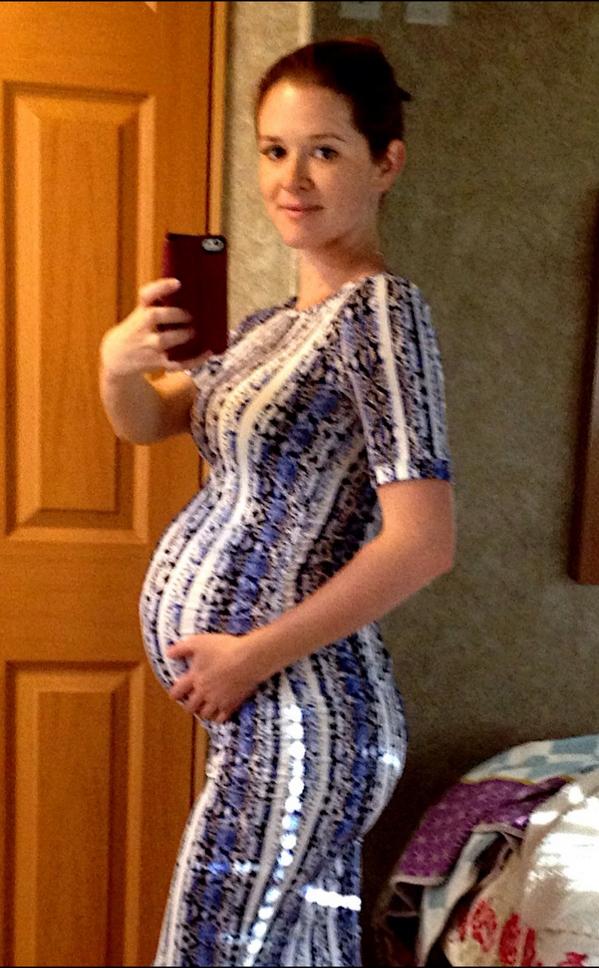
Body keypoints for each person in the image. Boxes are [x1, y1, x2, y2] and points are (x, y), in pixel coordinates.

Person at [99, 36, 456, 968]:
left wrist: (248, 657)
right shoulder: (266, 329)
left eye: (324, 151)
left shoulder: (379, 314)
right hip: (270, 714)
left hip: (305, 716)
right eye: (273, 149)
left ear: (385, 164)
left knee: (209, 953)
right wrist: (117, 365)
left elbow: (422, 543)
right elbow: (148, 421)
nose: (291, 179)